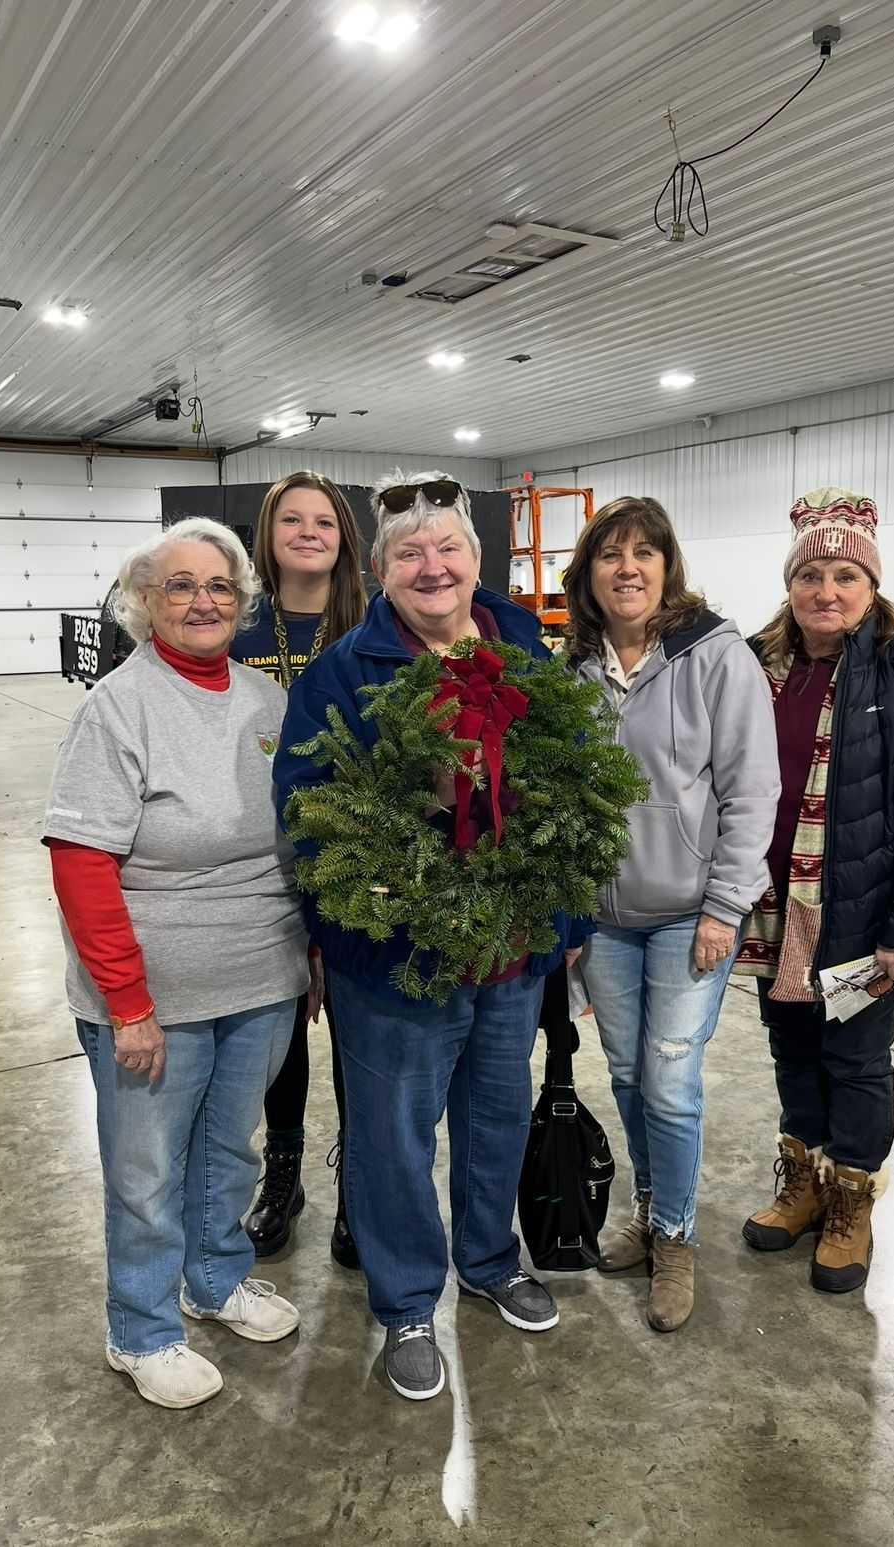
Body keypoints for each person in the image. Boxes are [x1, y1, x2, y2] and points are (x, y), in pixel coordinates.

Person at [273, 470, 590, 1401]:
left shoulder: (524, 648)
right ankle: (407, 1299)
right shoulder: (346, 669)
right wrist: (351, 927)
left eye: (448, 547)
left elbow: (576, 786)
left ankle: (489, 1259)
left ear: (475, 560)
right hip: (397, 959)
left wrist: (562, 921)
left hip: (512, 951)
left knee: (495, 1114)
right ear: (377, 570)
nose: (432, 565)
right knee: (393, 1135)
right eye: (408, 552)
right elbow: (309, 810)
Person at [43, 517, 306, 1409]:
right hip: (155, 993)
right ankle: (142, 1326)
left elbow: (299, 841)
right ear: (145, 601)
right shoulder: (117, 705)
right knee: (147, 1173)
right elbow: (81, 861)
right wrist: (126, 1000)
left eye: (220, 586)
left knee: (231, 1149)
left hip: (261, 977)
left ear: (243, 600)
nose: (203, 601)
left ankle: (215, 1277)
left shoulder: (266, 702)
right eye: (181, 586)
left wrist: (301, 954)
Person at [735, 487, 894, 1292]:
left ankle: (852, 1201)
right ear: (790, 583)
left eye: (845, 573)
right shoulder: (759, 662)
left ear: (871, 583)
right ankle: (802, 1182)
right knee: (791, 1045)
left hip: (864, 910)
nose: (826, 591)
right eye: (811, 574)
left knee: (858, 1059)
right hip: (774, 903)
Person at [563, 496, 780, 1333]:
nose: (628, 568)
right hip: (606, 921)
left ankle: (677, 1236)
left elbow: (751, 790)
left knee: (670, 1082)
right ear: (589, 574)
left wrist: (727, 904)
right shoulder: (575, 665)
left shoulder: (716, 656)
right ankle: (649, 1214)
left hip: (692, 915)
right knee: (624, 1076)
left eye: (644, 552)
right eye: (611, 555)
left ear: (667, 566)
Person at [230, 471, 367, 1266]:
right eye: (293, 519)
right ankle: (283, 1171)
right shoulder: (238, 623)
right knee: (278, 1027)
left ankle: (359, 1177)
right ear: (270, 532)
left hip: (354, 855)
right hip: (258, 855)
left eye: (324, 520)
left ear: (344, 536)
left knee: (357, 1026)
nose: (309, 531)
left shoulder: (370, 624)